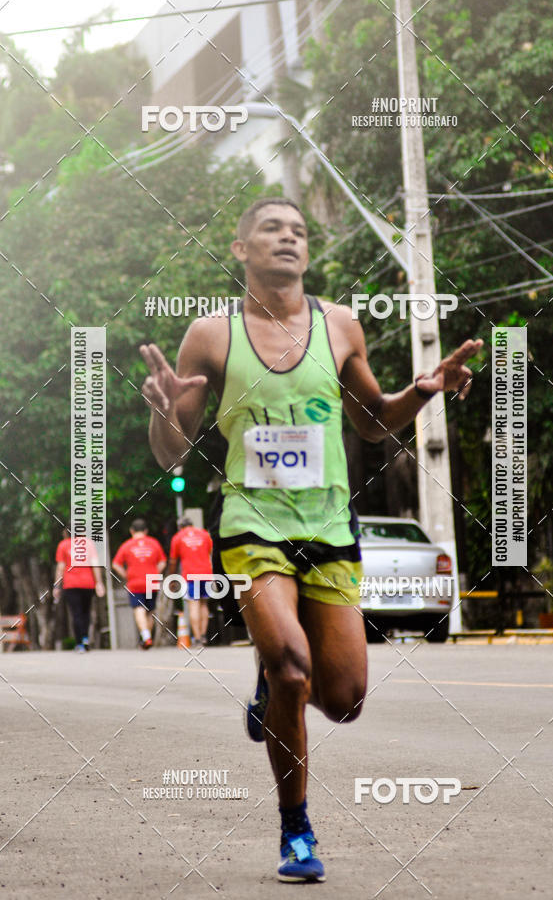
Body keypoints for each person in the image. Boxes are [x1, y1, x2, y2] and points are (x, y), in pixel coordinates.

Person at [140, 197, 482, 882]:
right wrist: (164, 414)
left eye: (298, 230)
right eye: (272, 228)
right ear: (241, 249)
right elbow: (172, 452)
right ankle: (296, 829)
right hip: (251, 527)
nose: (289, 238)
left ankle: (269, 688)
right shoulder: (211, 334)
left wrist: (423, 391)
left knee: (344, 699)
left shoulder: (341, 325)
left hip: (329, 528)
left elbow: (373, 422)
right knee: (293, 668)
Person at [112, 518, 167, 649]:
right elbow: (162, 561)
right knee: (149, 611)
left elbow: (116, 564)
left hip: (135, 582)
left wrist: (126, 575)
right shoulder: (154, 543)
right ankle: (146, 638)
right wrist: (156, 572)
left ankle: (146, 637)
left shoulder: (127, 545)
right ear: (146, 531)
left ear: (131, 531)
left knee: (139, 608)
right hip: (151, 581)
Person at [53, 528, 105, 652]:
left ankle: (80, 642)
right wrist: (99, 583)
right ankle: (85, 638)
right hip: (88, 584)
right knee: (86, 612)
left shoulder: (63, 545)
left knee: (76, 613)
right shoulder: (89, 544)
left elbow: (60, 567)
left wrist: (56, 586)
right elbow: (95, 564)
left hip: (71, 585)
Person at [168, 517, 213, 645]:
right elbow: (211, 552)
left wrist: (172, 577)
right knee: (204, 604)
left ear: (180, 527)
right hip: (206, 574)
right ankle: (203, 635)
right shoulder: (205, 535)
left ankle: (197, 638)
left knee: (194, 604)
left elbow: (173, 560)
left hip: (190, 575)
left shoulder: (178, 537)